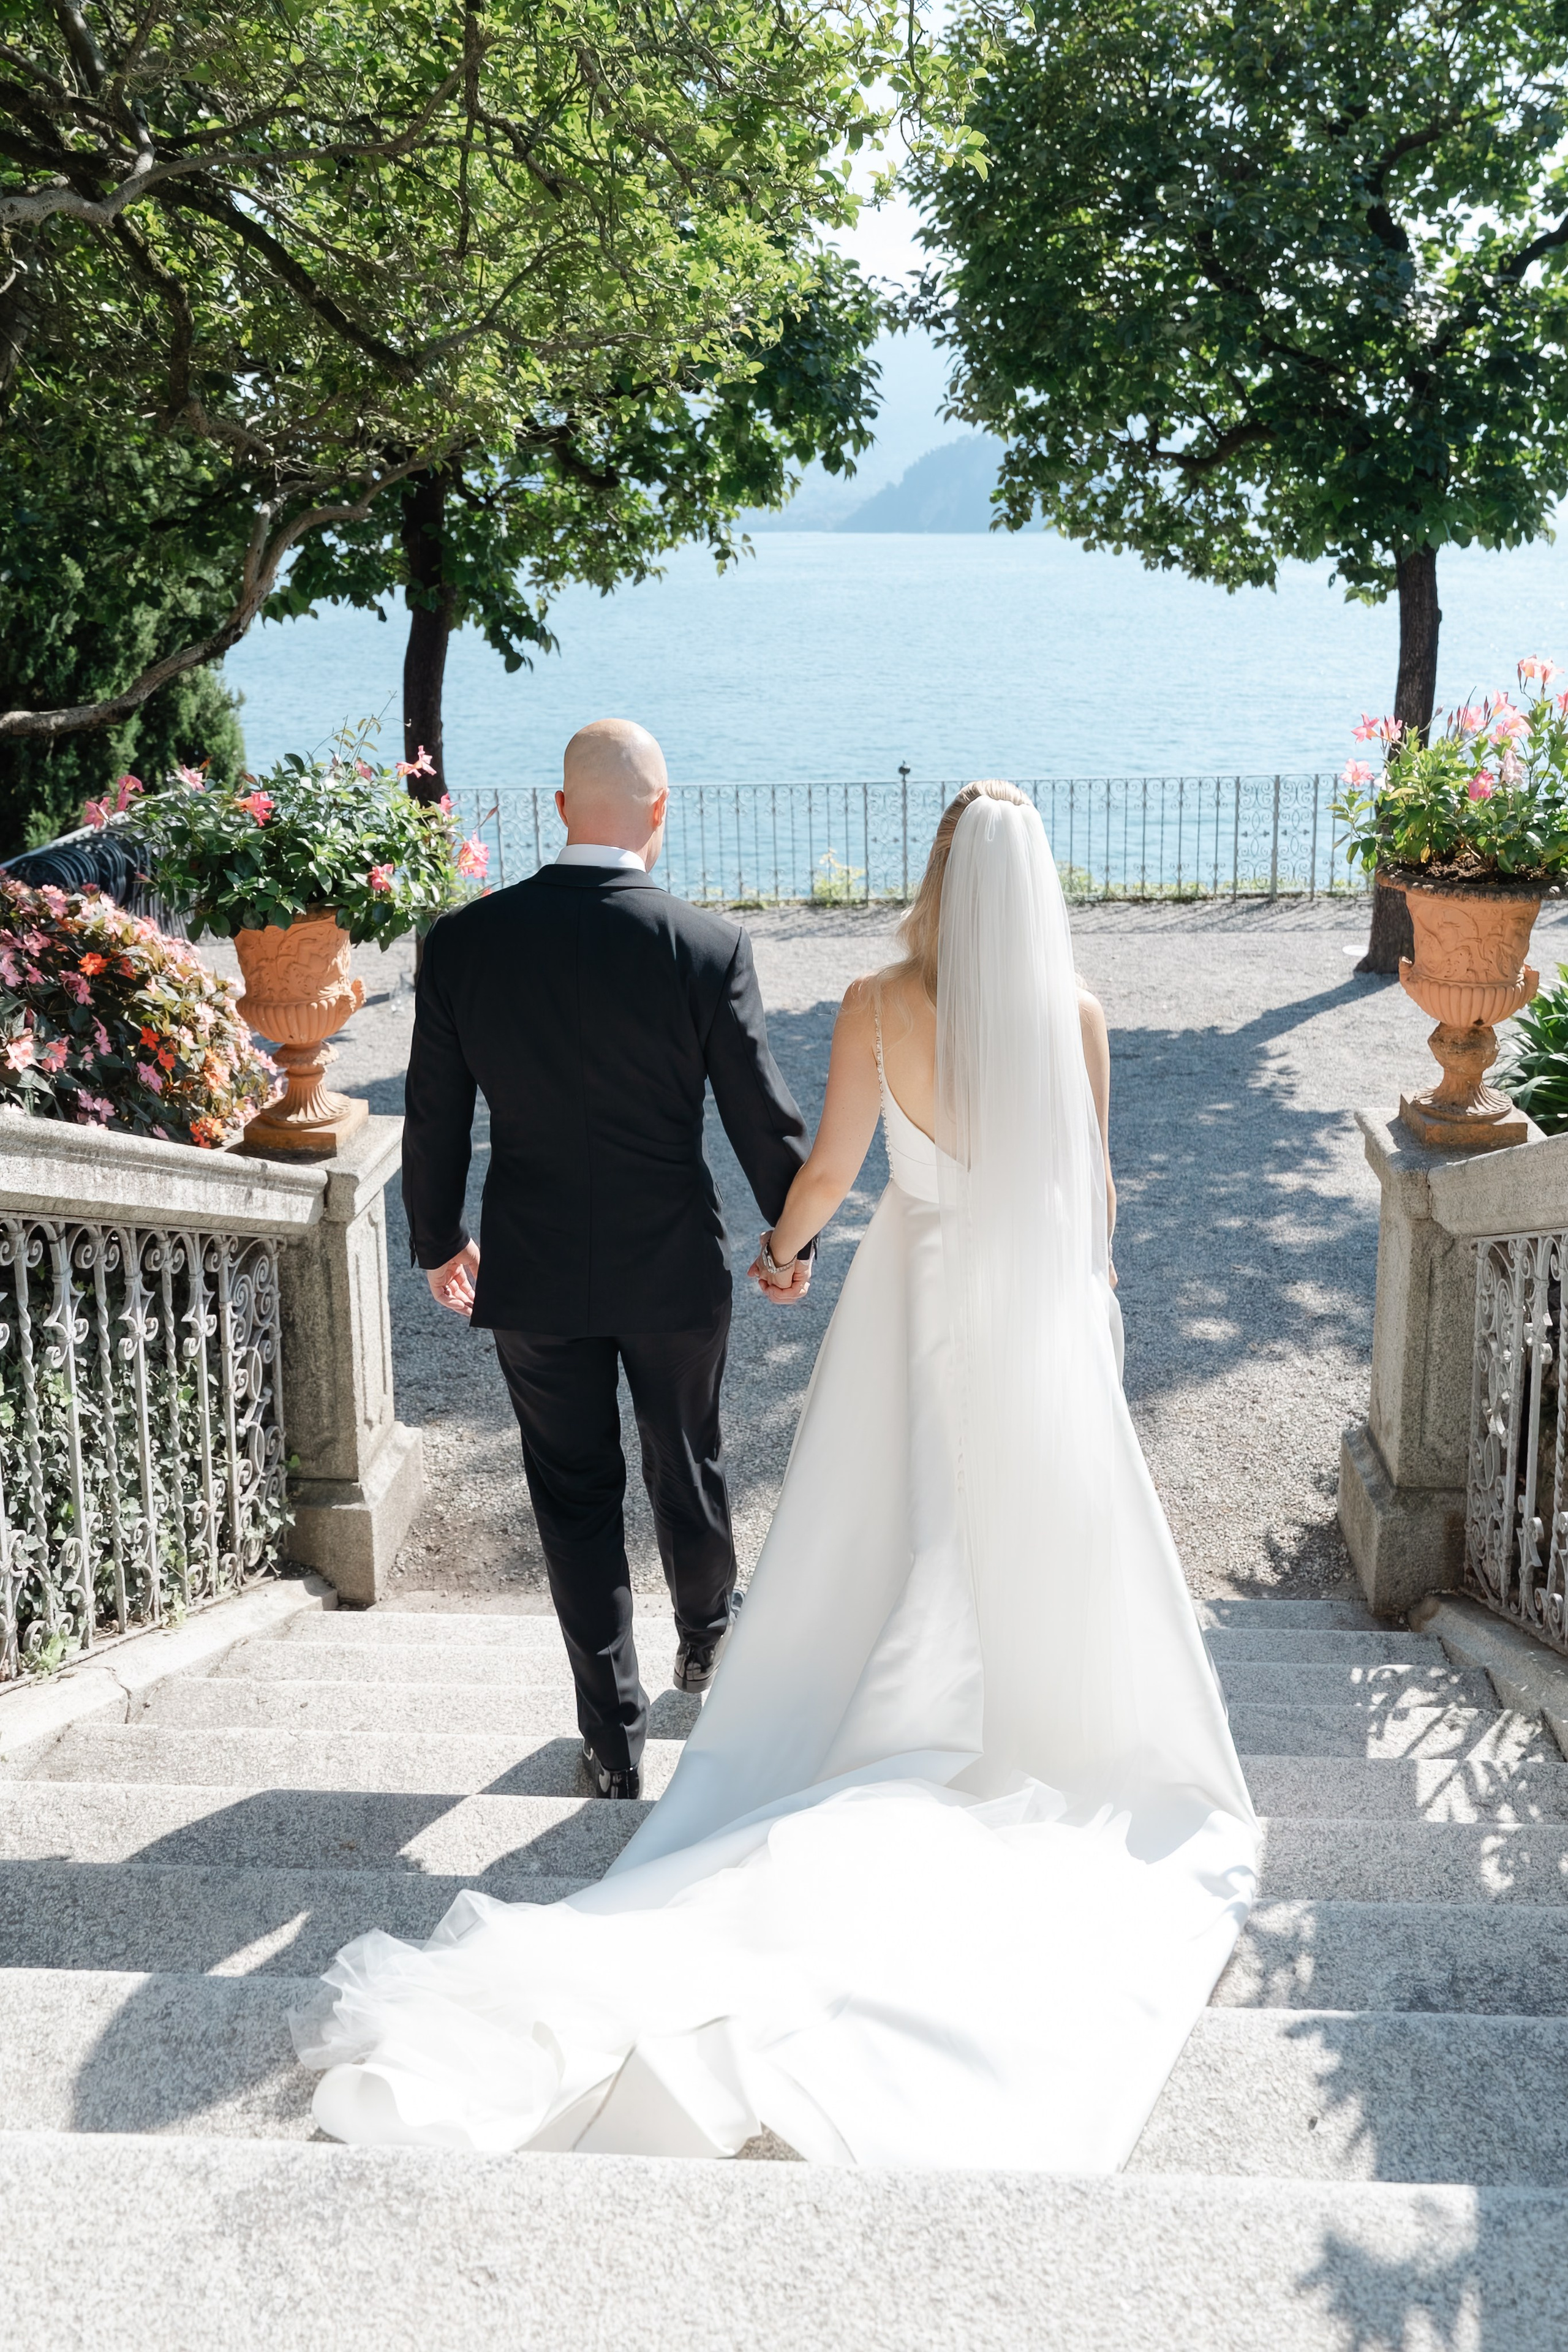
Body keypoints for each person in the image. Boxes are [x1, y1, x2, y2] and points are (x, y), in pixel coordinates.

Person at [293, 778, 1257, 2171]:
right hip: (1037, 1317)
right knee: (1029, 1524)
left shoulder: (880, 1002)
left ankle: (755, 1714)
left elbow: (834, 1172)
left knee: (892, 1521)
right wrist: (1082, 1311)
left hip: (916, 1305)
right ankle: (1011, 1712)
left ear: (937, 874)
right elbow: (1088, 1193)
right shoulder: (1080, 1019)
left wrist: (789, 1251)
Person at [399, 717, 813, 1799]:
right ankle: (709, 1636)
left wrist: (438, 1240)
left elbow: (434, 1117)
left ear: (560, 808)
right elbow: (762, 1121)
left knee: (573, 1497)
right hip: (673, 1266)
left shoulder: (463, 943)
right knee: (690, 1456)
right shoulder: (708, 946)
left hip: (532, 1272)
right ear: (660, 813)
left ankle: (613, 1740)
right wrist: (789, 1240)